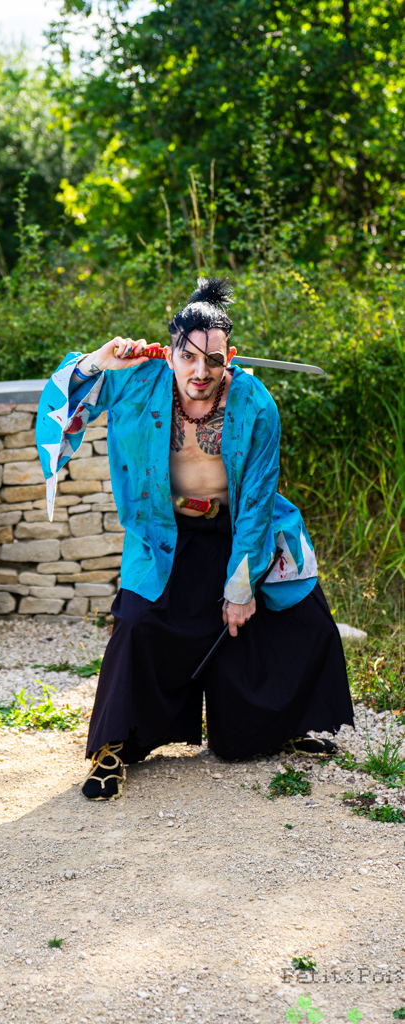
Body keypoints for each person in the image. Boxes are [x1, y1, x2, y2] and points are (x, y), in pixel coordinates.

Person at [36, 277, 354, 800]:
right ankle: (114, 746)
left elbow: (257, 498)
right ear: (170, 354)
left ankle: (284, 725)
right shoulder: (137, 380)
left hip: (239, 527)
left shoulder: (255, 403)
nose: (200, 373)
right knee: (137, 623)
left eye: (213, 360)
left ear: (232, 357)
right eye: (188, 358)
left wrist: (241, 586)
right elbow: (64, 400)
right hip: (164, 532)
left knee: (303, 615)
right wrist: (98, 360)